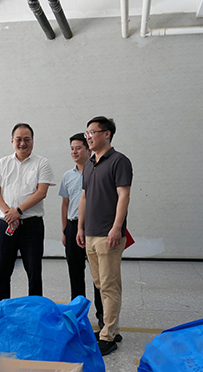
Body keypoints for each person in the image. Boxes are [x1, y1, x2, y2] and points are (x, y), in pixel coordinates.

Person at [76, 116, 132, 356]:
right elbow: (84, 197)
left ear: (107, 134)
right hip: (90, 233)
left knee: (109, 285)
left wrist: (117, 227)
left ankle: (108, 335)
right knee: (101, 284)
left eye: (92, 132)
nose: (88, 137)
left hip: (108, 234)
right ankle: (112, 327)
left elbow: (123, 196)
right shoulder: (89, 164)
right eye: (87, 133)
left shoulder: (119, 161)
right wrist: (80, 227)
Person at [0, 123, 55, 303]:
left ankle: (35, 312)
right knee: (2, 272)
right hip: (6, 225)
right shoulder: (3, 163)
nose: (22, 143)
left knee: (34, 273)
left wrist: (17, 211)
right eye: (18, 139)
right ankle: (1, 311)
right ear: (12, 141)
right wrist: (9, 214)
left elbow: (41, 192)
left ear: (32, 141)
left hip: (31, 226)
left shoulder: (42, 163)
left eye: (27, 139)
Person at [59, 132, 104, 326]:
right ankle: (77, 316)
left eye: (78, 148)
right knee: (75, 273)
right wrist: (64, 230)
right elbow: (65, 204)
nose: (74, 152)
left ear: (88, 150)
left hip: (94, 228)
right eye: (72, 148)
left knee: (99, 275)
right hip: (72, 227)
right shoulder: (68, 176)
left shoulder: (98, 171)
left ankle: (103, 316)